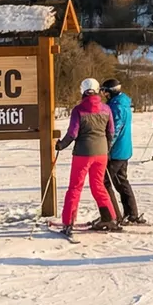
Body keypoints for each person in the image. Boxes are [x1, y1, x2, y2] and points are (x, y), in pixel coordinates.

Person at [56, 79, 120, 236]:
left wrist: (61, 145)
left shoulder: (78, 110)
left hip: (83, 154)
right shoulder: (106, 108)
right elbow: (110, 132)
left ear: (82, 90)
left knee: (75, 188)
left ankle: (68, 222)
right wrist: (107, 148)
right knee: (98, 186)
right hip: (101, 154)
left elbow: (73, 133)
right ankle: (109, 218)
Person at [100, 79, 146, 225]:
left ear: (111, 91)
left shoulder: (117, 106)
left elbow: (115, 129)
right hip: (123, 149)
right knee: (121, 182)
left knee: (104, 181)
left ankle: (113, 216)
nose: (103, 94)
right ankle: (131, 213)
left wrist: (107, 147)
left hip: (116, 151)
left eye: (105, 91)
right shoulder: (122, 103)